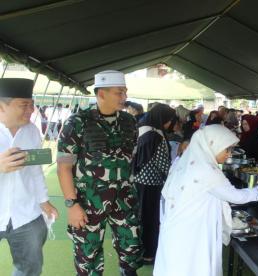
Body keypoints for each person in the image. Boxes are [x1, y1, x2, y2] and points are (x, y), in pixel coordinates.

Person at [153, 125, 258, 276]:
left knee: (177, 266)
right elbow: (236, 196)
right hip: (192, 231)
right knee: (194, 267)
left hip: (175, 227)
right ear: (212, 144)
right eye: (226, 149)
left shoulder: (184, 160)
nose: (229, 155)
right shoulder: (207, 169)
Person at [57, 70, 143, 275]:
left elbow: (130, 158)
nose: (124, 98)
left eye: (125, 92)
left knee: (131, 250)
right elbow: (64, 167)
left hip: (125, 199)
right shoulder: (76, 123)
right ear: (101, 94)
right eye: (119, 93)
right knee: (88, 256)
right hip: (89, 201)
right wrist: (72, 204)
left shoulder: (129, 123)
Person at [0, 78, 59, 276]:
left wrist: (44, 201)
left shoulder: (32, 131)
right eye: (23, 105)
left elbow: (35, 171)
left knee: (30, 268)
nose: (31, 110)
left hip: (25, 212)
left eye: (32, 105)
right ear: (1, 107)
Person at [133, 103, 176, 265]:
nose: (169, 124)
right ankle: (148, 253)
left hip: (138, 181)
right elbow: (163, 164)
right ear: (162, 118)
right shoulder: (156, 135)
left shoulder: (143, 128)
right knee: (150, 218)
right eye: (169, 120)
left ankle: (138, 250)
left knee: (141, 217)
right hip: (151, 185)